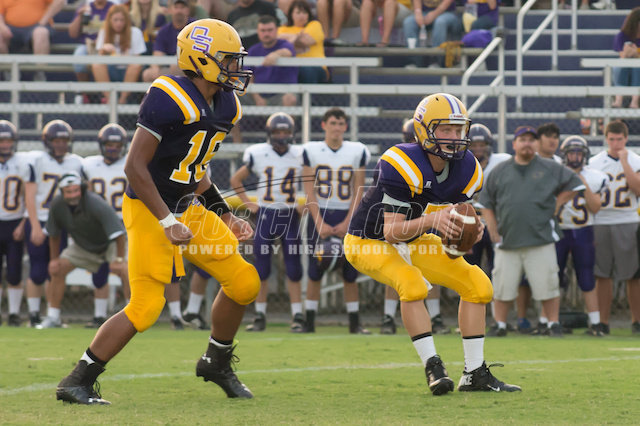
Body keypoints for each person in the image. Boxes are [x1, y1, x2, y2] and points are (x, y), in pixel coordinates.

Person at [55, 19, 259, 405]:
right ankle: (77, 380)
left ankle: (216, 362)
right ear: (201, 59)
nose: (236, 67)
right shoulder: (169, 96)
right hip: (150, 208)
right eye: (228, 59)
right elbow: (135, 167)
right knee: (147, 307)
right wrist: (167, 221)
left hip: (188, 206)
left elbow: (194, 169)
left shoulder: (227, 105)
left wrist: (224, 214)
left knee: (244, 282)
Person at [345, 93, 520, 394]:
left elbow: (458, 215)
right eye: (445, 129)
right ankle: (433, 366)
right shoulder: (402, 162)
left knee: (478, 286)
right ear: (423, 130)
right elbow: (392, 232)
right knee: (412, 284)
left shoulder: (468, 168)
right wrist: (433, 221)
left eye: (458, 129)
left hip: (416, 239)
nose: (454, 137)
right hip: (368, 240)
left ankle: (474, 373)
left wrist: (471, 228)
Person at [480, 125, 585, 337]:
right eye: (523, 140)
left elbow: (575, 185)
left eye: (531, 140)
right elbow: (485, 202)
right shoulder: (500, 170)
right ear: (514, 144)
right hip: (507, 239)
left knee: (548, 285)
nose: (527, 144)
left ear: (537, 144)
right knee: (502, 287)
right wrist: (491, 226)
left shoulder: (550, 167)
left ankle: (552, 323)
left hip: (541, 238)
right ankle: (500, 324)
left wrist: (557, 204)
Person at [230, 112, 305, 332]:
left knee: (293, 267)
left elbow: (316, 181)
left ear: (292, 133)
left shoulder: (300, 154)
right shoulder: (258, 153)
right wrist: (248, 204)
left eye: (285, 131)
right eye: (277, 131)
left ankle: (297, 315)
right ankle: (260, 315)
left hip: (290, 214)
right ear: (270, 133)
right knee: (262, 267)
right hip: (266, 215)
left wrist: (306, 203)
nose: (281, 136)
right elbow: (236, 179)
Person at [302, 107, 371, 334]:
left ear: (346, 127)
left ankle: (355, 323)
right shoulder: (311, 150)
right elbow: (308, 188)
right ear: (324, 125)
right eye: (333, 123)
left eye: (341, 124)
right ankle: (308, 322)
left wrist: (350, 220)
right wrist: (318, 221)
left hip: (346, 213)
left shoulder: (356, 150)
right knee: (315, 269)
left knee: (350, 271)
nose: (337, 128)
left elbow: (358, 188)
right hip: (320, 212)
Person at [36, 172, 129, 329]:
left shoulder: (95, 202)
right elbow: (54, 234)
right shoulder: (57, 205)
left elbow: (118, 234)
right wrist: (54, 259)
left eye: (76, 190)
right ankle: (53, 317)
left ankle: (133, 315)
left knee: (126, 270)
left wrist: (119, 260)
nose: (73, 195)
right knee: (57, 269)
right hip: (84, 246)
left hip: (110, 244)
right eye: (69, 191)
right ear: (62, 192)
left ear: (81, 189)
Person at [24, 120, 83, 328]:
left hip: (62, 223)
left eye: (64, 140)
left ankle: (52, 315)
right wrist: (35, 225)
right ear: (47, 141)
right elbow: (29, 196)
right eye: (56, 140)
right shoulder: (36, 160)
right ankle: (33, 315)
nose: (60, 144)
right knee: (37, 270)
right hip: (40, 219)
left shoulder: (76, 163)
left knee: (56, 270)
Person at [589, 120, 640, 335]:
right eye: (612, 139)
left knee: (633, 275)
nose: (616, 143)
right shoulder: (595, 162)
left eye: (619, 139)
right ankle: (603, 322)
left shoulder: (635, 160)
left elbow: (637, 189)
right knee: (602, 274)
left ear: (626, 139)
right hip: (601, 220)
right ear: (606, 139)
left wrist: (625, 162)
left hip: (628, 219)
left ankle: (637, 321)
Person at [556, 135, 609, 336]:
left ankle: (595, 323)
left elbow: (595, 207)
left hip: (584, 230)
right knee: (554, 277)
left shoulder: (595, 176)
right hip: (559, 230)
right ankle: (550, 321)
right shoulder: (555, 173)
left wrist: (581, 182)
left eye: (579, 153)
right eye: (572, 153)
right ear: (565, 155)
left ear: (585, 155)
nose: (576, 157)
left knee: (587, 277)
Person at [82, 123, 130, 327]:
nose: (113, 149)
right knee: (99, 269)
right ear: (102, 145)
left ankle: (133, 311)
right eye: (109, 144)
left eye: (117, 145)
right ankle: (99, 315)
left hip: (124, 222)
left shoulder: (131, 162)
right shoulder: (88, 165)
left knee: (127, 269)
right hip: (99, 224)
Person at [0, 120, 30, 327]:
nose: (5, 145)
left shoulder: (23, 163)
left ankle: (13, 313)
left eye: (8, 140)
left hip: (14, 223)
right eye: (1, 141)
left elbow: (30, 196)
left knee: (14, 271)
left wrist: (23, 222)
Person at [92, 5, 147, 104]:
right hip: (111, 70)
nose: (119, 23)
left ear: (126, 20)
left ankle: (122, 100)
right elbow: (100, 59)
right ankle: (110, 99)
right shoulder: (104, 32)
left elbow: (138, 59)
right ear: (110, 20)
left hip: (129, 70)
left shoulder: (135, 32)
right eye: (115, 20)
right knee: (96, 65)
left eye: (122, 20)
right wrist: (103, 51)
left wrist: (126, 57)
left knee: (135, 65)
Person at [0, 0, 65, 81]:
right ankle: (9, 70)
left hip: (37, 26)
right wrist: (2, 27)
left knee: (41, 32)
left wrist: (42, 22)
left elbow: (60, 1)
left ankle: (40, 72)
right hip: (10, 29)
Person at [68, 0, 115, 104]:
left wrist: (102, 41)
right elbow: (72, 34)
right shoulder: (85, 7)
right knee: (79, 56)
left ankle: (105, 95)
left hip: (107, 45)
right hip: (87, 45)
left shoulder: (112, 8)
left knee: (108, 61)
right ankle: (86, 92)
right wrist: (79, 16)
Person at [247, 15, 297, 107]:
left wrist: (276, 54)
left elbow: (288, 52)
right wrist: (257, 97)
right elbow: (249, 78)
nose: (266, 34)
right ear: (258, 32)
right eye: (263, 30)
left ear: (276, 30)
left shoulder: (284, 44)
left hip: (281, 95)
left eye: (270, 30)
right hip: (258, 95)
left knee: (290, 98)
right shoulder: (253, 50)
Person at [278, 0, 330, 84]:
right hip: (293, 67)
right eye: (298, 13)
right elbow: (278, 43)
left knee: (305, 70)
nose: (301, 15)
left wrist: (288, 38)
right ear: (291, 14)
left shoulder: (315, 25)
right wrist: (298, 36)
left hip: (317, 67)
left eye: (304, 12)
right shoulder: (282, 29)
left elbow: (305, 42)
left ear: (308, 14)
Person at [142, 0, 193, 82]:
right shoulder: (164, 30)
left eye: (182, 7)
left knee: (176, 67)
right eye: (176, 7)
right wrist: (155, 67)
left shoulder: (194, 27)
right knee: (148, 74)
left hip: (191, 67)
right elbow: (158, 53)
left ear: (188, 10)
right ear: (170, 10)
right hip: (169, 67)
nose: (179, 11)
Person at [402, 0, 462, 66]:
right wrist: (418, 12)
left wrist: (434, 14)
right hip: (424, 12)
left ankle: (436, 60)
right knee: (409, 22)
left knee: (440, 22)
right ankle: (414, 61)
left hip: (448, 12)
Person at [611, 7, 640, 109]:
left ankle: (634, 102)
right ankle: (618, 100)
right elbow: (622, 55)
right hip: (625, 65)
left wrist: (636, 53)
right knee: (620, 65)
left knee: (637, 67)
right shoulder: (622, 36)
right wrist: (628, 52)